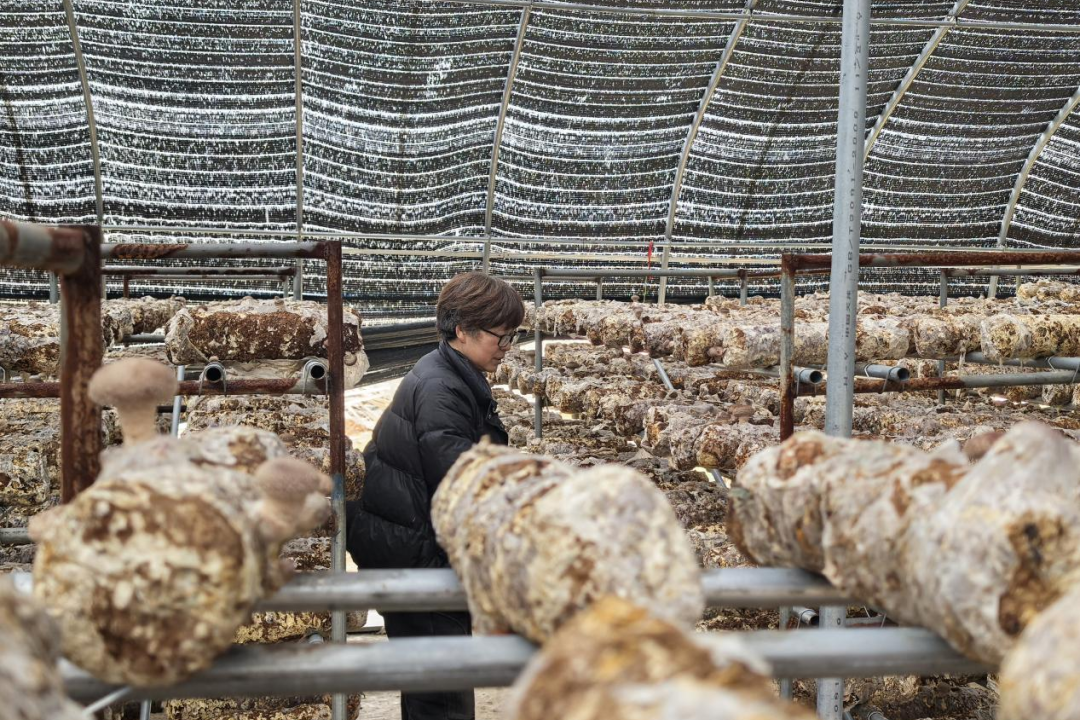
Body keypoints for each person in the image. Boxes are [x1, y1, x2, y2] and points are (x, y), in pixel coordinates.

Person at [346, 271, 525, 720]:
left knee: (431, 683)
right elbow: (462, 476)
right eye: (501, 337)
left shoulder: (449, 372)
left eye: (512, 337)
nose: (506, 348)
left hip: (407, 542)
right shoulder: (442, 388)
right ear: (463, 330)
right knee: (442, 695)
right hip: (414, 554)